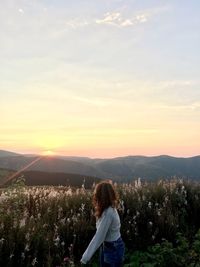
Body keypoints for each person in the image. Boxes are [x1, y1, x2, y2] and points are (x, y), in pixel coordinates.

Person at [80, 180, 125, 266]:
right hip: (109, 246)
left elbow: (99, 236)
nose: (95, 196)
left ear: (102, 196)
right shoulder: (107, 209)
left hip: (113, 248)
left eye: (97, 194)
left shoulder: (108, 213)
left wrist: (85, 258)